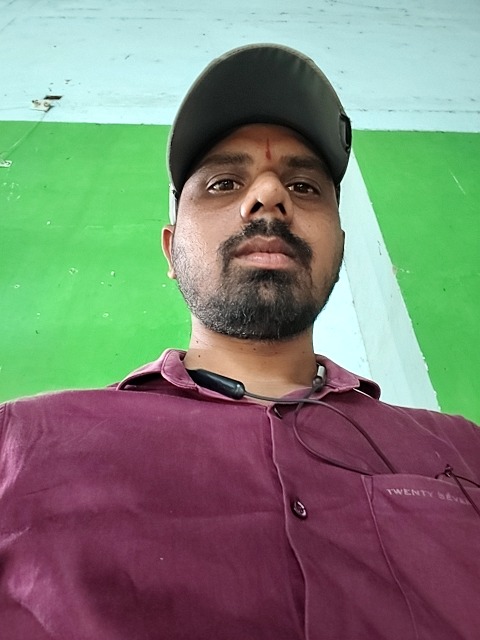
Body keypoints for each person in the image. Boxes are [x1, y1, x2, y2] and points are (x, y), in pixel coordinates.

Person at [0, 44, 479, 640]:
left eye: (305, 187)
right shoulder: (17, 445)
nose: (270, 195)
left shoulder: (463, 451)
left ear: (339, 246)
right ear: (171, 249)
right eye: (225, 182)